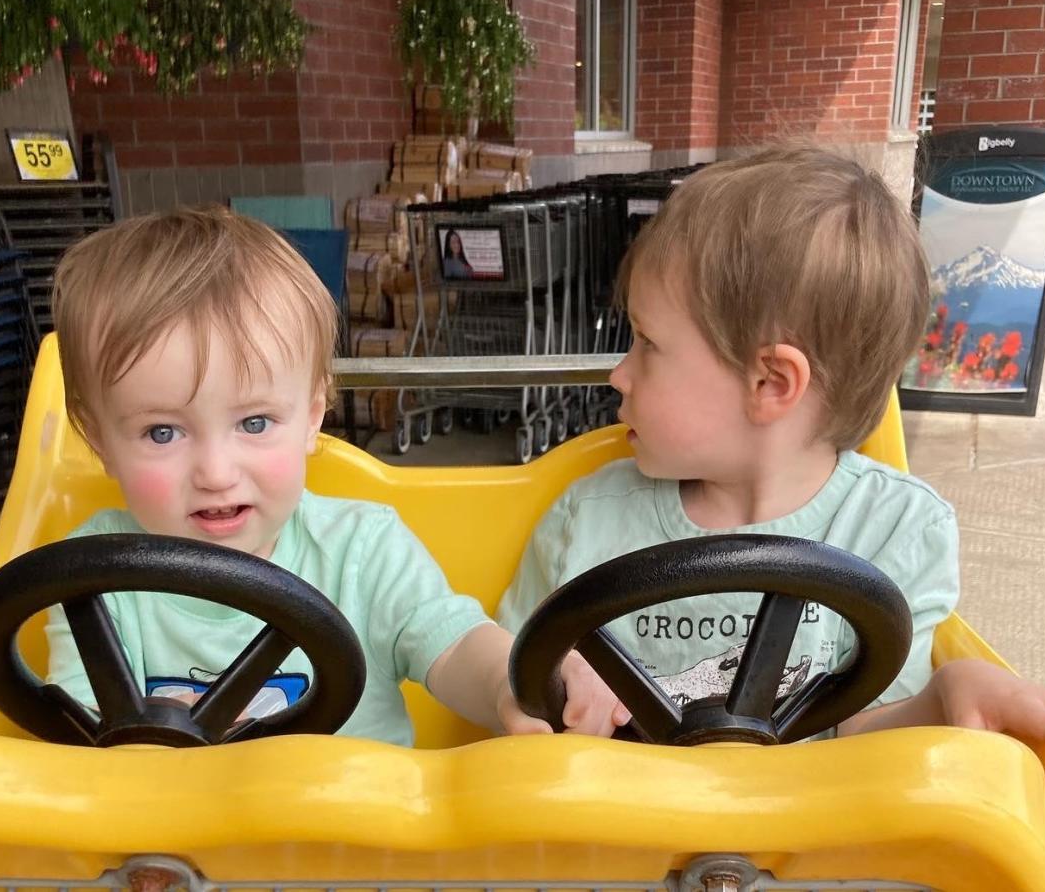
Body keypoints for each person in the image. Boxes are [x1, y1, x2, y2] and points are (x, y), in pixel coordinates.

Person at [497, 144, 1045, 758]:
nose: (619, 374)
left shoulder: (896, 530)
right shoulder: (587, 518)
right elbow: (509, 683)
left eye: (646, 344)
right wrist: (557, 691)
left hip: (810, 848)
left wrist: (946, 694)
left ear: (769, 384)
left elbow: (865, 745)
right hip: (616, 841)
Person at [45, 205, 619, 746]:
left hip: (362, 840)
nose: (217, 473)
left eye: (254, 421)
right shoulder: (94, 579)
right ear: (100, 441)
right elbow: (82, 745)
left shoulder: (359, 551)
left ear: (313, 417)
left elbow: (454, 643)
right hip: (182, 851)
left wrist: (514, 682)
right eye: (162, 433)